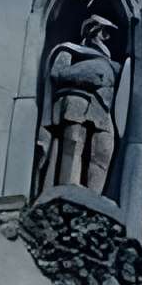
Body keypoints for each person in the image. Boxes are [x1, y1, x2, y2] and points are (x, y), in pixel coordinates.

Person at [42, 17, 119, 196]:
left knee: (104, 150)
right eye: (105, 32)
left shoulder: (111, 64)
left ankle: (94, 196)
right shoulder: (69, 50)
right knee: (74, 141)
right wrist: (90, 75)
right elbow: (58, 72)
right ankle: (68, 186)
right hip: (76, 100)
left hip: (101, 107)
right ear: (93, 31)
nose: (107, 38)